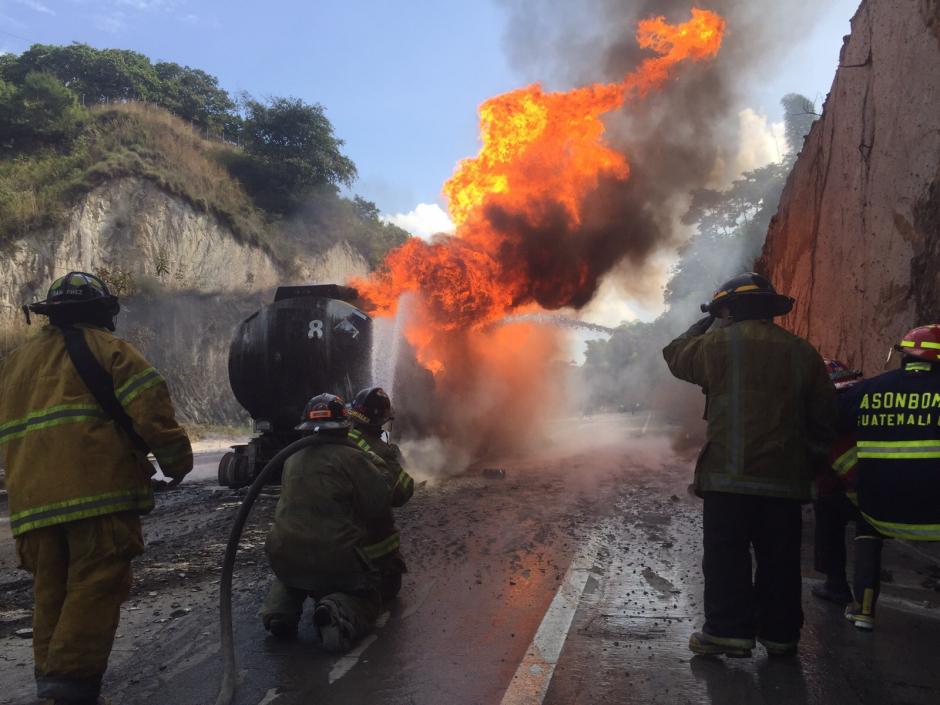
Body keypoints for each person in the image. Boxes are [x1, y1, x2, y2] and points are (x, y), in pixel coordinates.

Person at [0, 271, 193, 705]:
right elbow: (152, 413)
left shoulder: (13, 363)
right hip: (97, 498)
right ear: (103, 311)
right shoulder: (112, 351)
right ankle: (70, 690)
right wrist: (177, 462)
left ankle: (49, 686)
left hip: (32, 505)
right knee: (94, 586)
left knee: (51, 591)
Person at [662, 272, 835, 658]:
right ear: (770, 310)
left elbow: (675, 354)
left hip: (728, 477)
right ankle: (781, 636)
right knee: (781, 560)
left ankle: (727, 633)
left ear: (728, 310)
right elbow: (825, 414)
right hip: (784, 479)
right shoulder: (802, 352)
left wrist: (706, 319)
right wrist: (812, 461)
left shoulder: (715, 346)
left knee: (726, 556)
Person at [260, 393, 404, 652]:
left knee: (293, 577)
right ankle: (335, 611)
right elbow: (379, 501)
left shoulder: (292, 458)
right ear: (344, 425)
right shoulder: (353, 458)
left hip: (282, 553)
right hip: (334, 558)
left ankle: (279, 613)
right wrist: (376, 463)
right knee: (369, 596)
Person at [838, 324, 940, 630]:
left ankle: (863, 610)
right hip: (935, 512)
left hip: (878, 509)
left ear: (904, 355)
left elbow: (828, 423)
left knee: (865, 528)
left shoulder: (868, 389)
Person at [348, 387, 414, 597]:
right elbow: (402, 493)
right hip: (359, 543)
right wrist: (396, 460)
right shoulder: (381, 450)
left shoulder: (338, 439)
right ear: (381, 420)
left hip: (319, 540)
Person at [812, 359, 865, 606]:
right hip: (898, 494)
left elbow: (825, 481)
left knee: (826, 507)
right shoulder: (867, 402)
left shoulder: (829, 421)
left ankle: (836, 584)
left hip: (864, 497)